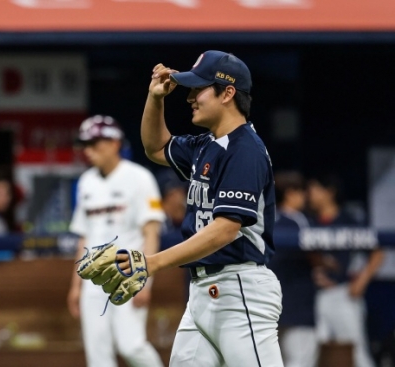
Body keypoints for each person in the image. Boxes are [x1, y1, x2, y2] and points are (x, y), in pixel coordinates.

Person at [117, 50, 283, 366]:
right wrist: (155, 99)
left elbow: (225, 228)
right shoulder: (206, 144)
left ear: (228, 93)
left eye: (199, 88)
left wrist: (152, 262)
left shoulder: (244, 150)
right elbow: (155, 147)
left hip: (240, 290)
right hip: (201, 292)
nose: (191, 97)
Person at [66, 115, 165, 367]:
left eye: (95, 143)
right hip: (92, 278)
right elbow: (84, 237)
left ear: (114, 143)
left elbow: (151, 233)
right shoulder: (86, 182)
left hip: (128, 274)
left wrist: (146, 280)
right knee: (97, 354)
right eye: (85, 144)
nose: (88, 150)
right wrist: (76, 286)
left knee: (131, 346)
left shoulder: (140, 177)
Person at [307, 174, 384, 367]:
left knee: (357, 352)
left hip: (342, 294)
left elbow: (378, 252)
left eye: (315, 189)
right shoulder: (308, 221)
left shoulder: (348, 220)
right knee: (311, 354)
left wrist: (361, 281)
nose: (311, 194)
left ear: (329, 192)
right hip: (311, 296)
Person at [268, 171, 318, 367]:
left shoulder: (266, 220)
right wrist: (326, 266)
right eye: (301, 192)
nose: (304, 197)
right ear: (290, 193)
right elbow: (315, 255)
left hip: (270, 304)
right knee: (299, 360)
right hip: (297, 304)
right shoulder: (299, 220)